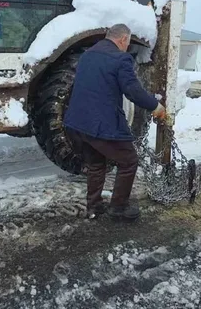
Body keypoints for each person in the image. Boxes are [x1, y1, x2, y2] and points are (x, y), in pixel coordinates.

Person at [64, 23, 166, 222]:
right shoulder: (121, 58)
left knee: (96, 164)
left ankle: (93, 206)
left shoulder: (88, 55)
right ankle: (118, 208)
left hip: (76, 123)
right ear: (123, 39)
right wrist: (156, 106)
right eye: (127, 43)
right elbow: (133, 91)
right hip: (100, 124)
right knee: (128, 162)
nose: (127, 47)